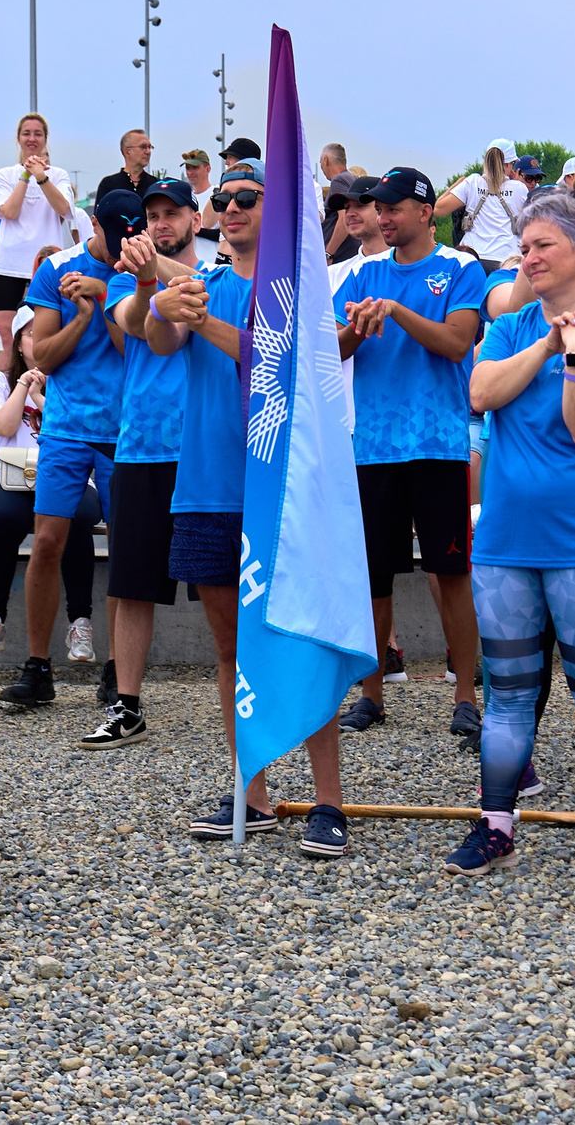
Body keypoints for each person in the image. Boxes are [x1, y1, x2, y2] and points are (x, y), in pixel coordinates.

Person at [133, 160, 351, 857]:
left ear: (276, 208)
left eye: (247, 198)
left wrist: (201, 322)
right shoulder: (204, 285)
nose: (230, 208)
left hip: (282, 491)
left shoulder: (302, 295)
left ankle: (328, 800)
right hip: (208, 487)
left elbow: (282, 366)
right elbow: (156, 337)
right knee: (230, 650)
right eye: (221, 199)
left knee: (298, 638)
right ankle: (252, 792)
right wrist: (155, 295)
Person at [442, 193, 575, 886]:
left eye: (542, 246)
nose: (527, 258)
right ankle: (496, 822)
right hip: (505, 534)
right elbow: (480, 393)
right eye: (524, 247)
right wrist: (548, 340)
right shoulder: (507, 326)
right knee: (507, 691)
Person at [332, 168, 488, 735]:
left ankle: (466, 695)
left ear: (427, 212)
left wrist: (395, 313)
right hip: (372, 447)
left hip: (438, 443)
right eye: (380, 207)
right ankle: (371, 694)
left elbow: (454, 344)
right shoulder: (363, 272)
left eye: (395, 206)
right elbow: (335, 349)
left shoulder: (460, 267)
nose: (384, 216)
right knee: (373, 576)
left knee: (451, 571)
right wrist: (357, 327)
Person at [85, 179, 212, 746]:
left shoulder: (219, 268)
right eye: (151, 214)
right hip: (141, 446)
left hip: (207, 448)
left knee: (225, 584)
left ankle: (247, 698)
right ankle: (126, 703)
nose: (160, 222)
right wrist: (144, 276)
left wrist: (154, 263)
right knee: (133, 584)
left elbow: (202, 297)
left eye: (171, 212)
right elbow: (141, 322)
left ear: (193, 216)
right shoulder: (123, 277)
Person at [0, 192, 135, 707]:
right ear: (92, 223)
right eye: (114, 233)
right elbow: (45, 359)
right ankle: (38, 666)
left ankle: (120, 668)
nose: (123, 242)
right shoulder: (57, 267)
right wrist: (81, 315)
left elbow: (136, 349)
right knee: (48, 541)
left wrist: (107, 296)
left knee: (126, 551)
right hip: (69, 425)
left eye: (132, 231)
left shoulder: (141, 263)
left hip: (128, 429)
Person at [0, 354, 105, 667]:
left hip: (69, 476)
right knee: (4, 516)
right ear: (18, 342)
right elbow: (1, 426)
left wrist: (38, 397)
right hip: (5, 478)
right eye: (29, 332)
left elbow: (76, 425)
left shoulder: (75, 377)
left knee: (78, 515)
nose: (38, 340)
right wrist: (23, 384)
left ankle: (80, 623)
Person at [0, 113, 76, 372]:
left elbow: (64, 208)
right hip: (8, 264)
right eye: (26, 133)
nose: (32, 139)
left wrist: (41, 176)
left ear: (45, 139)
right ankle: (4, 393)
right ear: (18, 139)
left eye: (37, 134)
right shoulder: (5, 175)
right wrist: (26, 176)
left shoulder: (58, 175)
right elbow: (10, 211)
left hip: (46, 263)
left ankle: (42, 389)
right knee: (6, 334)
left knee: (45, 329)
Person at [434, 139, 529, 272]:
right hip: (505, 260)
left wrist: (459, 182)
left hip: (471, 258)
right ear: (508, 165)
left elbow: (438, 209)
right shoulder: (519, 188)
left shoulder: (472, 182)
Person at [94, 129, 155, 203]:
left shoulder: (154, 185)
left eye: (149, 147)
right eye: (143, 147)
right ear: (127, 152)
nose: (148, 152)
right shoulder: (108, 185)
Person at [181, 149, 221, 253]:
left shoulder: (218, 194)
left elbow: (223, 234)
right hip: (190, 265)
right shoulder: (186, 197)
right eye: (187, 168)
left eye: (195, 168)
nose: (190, 172)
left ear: (207, 169)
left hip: (212, 262)